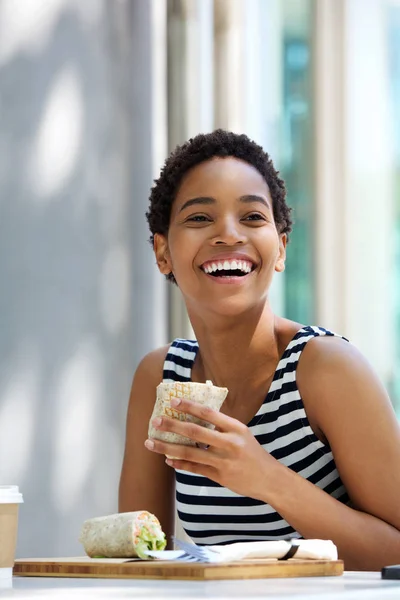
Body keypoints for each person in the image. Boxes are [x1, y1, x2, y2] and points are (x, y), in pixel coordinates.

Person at [118, 129, 400, 571]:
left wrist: (266, 478)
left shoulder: (325, 368)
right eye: (198, 219)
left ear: (281, 247)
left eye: (252, 217)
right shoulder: (161, 377)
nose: (229, 235)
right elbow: (137, 554)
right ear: (162, 252)